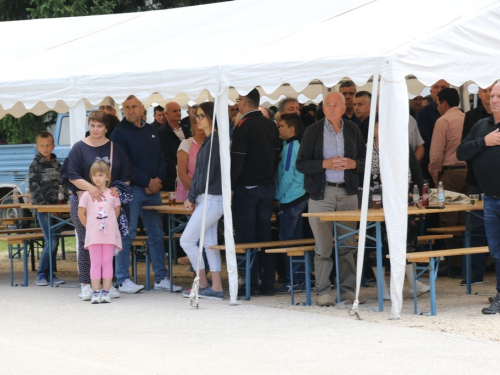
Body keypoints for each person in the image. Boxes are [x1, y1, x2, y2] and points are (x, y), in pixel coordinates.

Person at [296, 91, 366, 306]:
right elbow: (301, 164)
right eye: (328, 104)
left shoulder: (353, 129)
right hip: (322, 194)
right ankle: (323, 291)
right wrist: (323, 164)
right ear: (323, 108)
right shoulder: (312, 130)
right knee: (323, 247)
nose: (332, 108)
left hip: (348, 194)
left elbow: (365, 161)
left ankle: (347, 290)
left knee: (347, 247)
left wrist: (353, 164)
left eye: (337, 105)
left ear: (345, 108)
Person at [110, 95, 182, 293]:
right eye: (127, 107)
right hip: (132, 189)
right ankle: (123, 279)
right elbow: (124, 164)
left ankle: (161, 278)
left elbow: (161, 157)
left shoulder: (151, 129)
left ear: (142, 108)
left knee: (157, 234)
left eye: (134, 106)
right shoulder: (119, 133)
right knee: (127, 233)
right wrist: (147, 181)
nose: (131, 110)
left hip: (153, 190)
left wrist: (157, 181)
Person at [60, 110, 133, 300]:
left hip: (108, 204)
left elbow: (125, 178)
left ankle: (108, 285)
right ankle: (86, 284)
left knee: (109, 245)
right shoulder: (79, 148)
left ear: (106, 127)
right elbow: (72, 176)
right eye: (92, 125)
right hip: (84, 202)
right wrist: (92, 189)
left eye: (99, 125)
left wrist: (118, 190)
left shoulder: (115, 148)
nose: (95, 129)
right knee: (87, 243)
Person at [231, 88, 281, 296]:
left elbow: (237, 160)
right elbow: (277, 153)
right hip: (267, 186)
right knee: (265, 235)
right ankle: (268, 282)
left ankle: (250, 283)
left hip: (247, 187)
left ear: (243, 102)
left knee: (247, 236)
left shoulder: (244, 125)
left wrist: (231, 185)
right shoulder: (270, 124)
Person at [457, 81, 500, 315]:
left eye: (498, 96)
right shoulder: (480, 125)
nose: (493, 99)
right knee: (496, 250)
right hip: (490, 199)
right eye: (492, 95)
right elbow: (461, 152)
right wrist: (485, 142)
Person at [180, 102, 224, 300]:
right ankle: (214, 286)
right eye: (195, 116)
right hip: (210, 198)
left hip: (211, 198)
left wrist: (190, 196)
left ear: (211, 116)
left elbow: (205, 175)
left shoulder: (214, 141)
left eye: (201, 116)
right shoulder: (211, 140)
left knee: (187, 240)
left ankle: (203, 282)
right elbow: (201, 174)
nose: (197, 119)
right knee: (209, 243)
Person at [460, 83, 494, 285]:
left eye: (492, 91)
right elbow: (464, 149)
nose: (489, 95)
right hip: (477, 181)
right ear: (478, 94)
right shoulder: (472, 117)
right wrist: (483, 144)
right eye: (485, 91)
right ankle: (475, 273)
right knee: (477, 227)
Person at [78, 160, 122, 304]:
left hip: (109, 235)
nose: (97, 178)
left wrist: (108, 225)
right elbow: (81, 213)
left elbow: (116, 212)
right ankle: (96, 292)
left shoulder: (113, 195)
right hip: (94, 236)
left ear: (107, 177)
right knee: (96, 262)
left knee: (107, 262)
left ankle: (106, 291)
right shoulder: (86, 195)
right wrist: (90, 226)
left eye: (101, 175)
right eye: (94, 175)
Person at [29, 131, 66, 286]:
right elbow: (34, 190)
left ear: (53, 146)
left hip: (58, 209)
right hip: (43, 210)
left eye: (48, 145)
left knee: (55, 241)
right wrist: (47, 208)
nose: (45, 148)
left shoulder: (58, 165)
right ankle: (41, 274)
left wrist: (62, 205)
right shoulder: (35, 166)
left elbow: (63, 185)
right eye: (42, 145)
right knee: (51, 241)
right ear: (37, 147)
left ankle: (51, 273)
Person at [275, 114, 307, 293]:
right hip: (298, 197)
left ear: (291, 129)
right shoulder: (294, 146)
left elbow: (287, 176)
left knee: (288, 242)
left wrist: (277, 194)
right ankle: (299, 280)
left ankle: (293, 280)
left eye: (281, 126)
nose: (278, 129)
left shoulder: (290, 148)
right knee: (297, 242)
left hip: (290, 199)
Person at [429, 88, 468, 227]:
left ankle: (452, 247)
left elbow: (436, 154)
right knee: (466, 216)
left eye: (438, 103)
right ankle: (467, 248)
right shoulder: (466, 118)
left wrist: (435, 176)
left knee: (448, 217)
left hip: (450, 173)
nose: (437, 107)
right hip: (468, 171)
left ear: (444, 104)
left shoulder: (443, 121)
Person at [417, 79, 451, 188]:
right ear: (431, 91)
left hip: (452, 165)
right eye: (436, 87)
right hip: (430, 164)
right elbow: (425, 139)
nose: (439, 90)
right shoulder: (423, 113)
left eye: (443, 87)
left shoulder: (457, 112)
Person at [158, 102, 192, 191]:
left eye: (179, 110)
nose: (178, 113)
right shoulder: (162, 132)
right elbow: (165, 155)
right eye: (175, 111)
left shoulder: (186, 129)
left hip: (189, 173)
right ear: (166, 114)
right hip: (172, 178)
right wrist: (179, 171)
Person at [176, 113, 206, 202]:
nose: (199, 126)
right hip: (189, 192)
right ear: (193, 126)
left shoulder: (212, 144)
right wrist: (195, 192)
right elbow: (182, 173)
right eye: (196, 123)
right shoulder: (186, 143)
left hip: (209, 193)